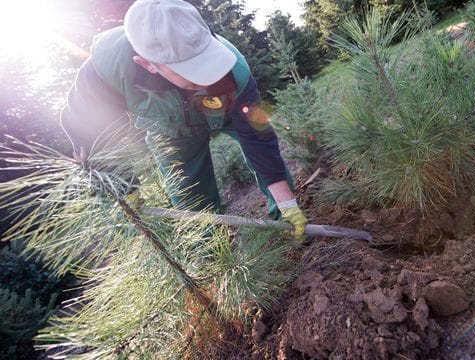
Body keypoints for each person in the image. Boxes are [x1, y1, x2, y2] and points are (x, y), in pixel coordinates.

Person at [59, 0, 307, 241]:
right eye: (191, 75)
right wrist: (125, 190)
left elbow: (258, 139)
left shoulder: (235, 69)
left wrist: (287, 203)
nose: (207, 81)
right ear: (147, 64)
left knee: (274, 178)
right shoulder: (106, 70)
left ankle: (285, 221)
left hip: (229, 109)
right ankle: (213, 258)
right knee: (191, 197)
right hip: (170, 129)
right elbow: (92, 135)